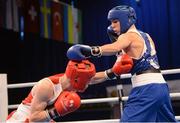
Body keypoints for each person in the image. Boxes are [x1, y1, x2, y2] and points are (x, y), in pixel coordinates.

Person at [66, 5, 177, 122]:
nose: (112, 26)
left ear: (126, 20)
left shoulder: (127, 36)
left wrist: (93, 51)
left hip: (145, 89)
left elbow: (115, 46)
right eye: (111, 22)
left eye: (115, 21)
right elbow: (129, 59)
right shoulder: (146, 36)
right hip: (161, 88)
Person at [6, 60, 96, 122]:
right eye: (87, 82)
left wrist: (109, 73)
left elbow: (94, 78)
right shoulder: (47, 87)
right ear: (77, 80)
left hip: (40, 119)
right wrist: (57, 111)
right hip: (25, 119)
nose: (88, 84)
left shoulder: (69, 79)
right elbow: (33, 118)